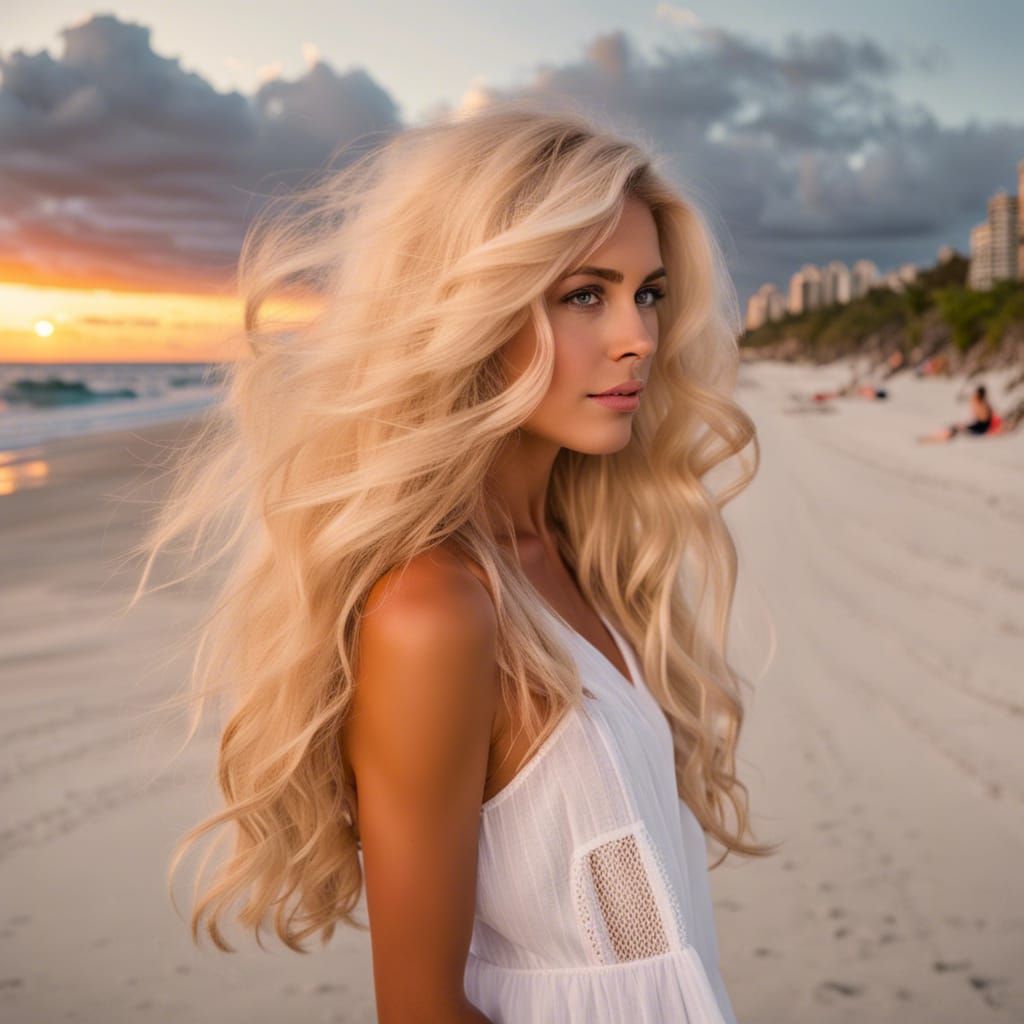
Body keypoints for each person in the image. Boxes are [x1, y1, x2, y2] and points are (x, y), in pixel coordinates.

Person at [130, 102, 777, 1023]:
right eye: (584, 295)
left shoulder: (574, 560)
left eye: (649, 293)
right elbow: (421, 1011)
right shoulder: (435, 611)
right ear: (472, 311)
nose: (637, 335)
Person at [917, 384, 995, 443]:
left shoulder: (981, 404)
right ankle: (942, 436)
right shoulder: (984, 404)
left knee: (956, 427)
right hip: (981, 427)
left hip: (980, 429)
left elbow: (981, 419)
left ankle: (942, 437)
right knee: (956, 426)